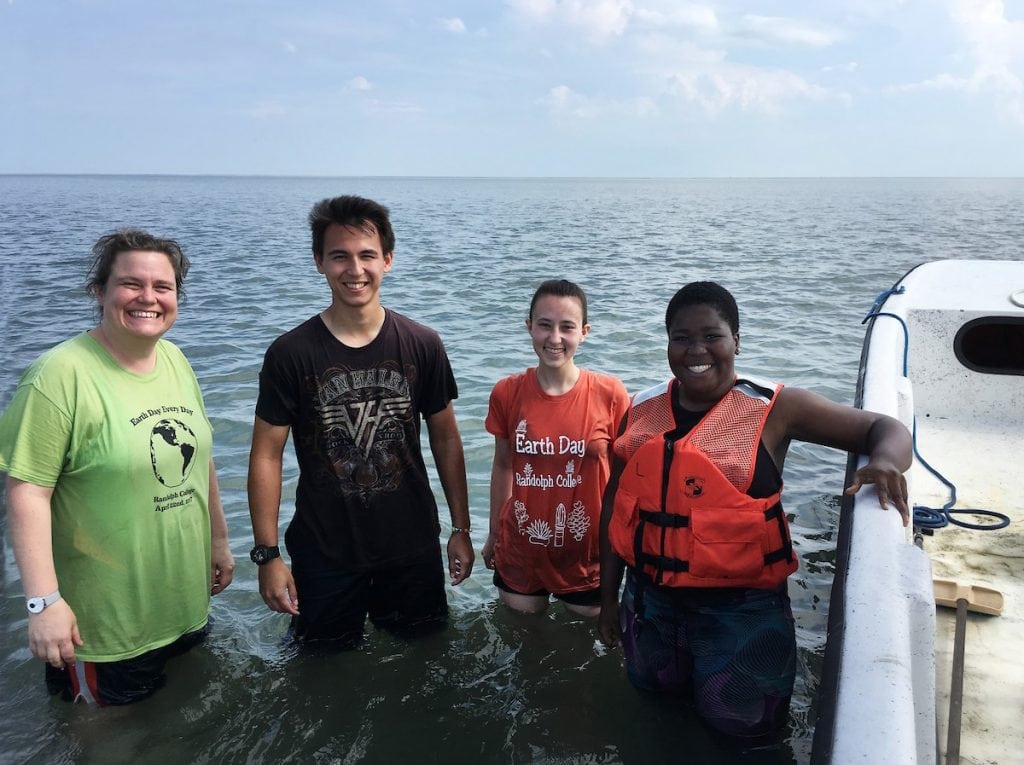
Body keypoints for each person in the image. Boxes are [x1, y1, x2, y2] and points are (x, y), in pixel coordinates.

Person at [598, 281, 911, 742]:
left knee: (745, 736)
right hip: (649, 606)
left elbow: (884, 428)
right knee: (656, 718)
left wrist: (884, 462)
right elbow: (614, 507)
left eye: (712, 335)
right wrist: (608, 598)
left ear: (737, 341)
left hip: (742, 615)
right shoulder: (642, 408)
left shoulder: (778, 409)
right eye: (681, 337)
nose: (696, 350)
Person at [0, 229, 234, 706]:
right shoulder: (59, 375)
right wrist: (43, 604)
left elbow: (197, 457)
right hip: (102, 625)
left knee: (182, 722)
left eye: (163, 287)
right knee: (111, 745)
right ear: (100, 291)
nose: (148, 297)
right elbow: (26, 492)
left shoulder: (175, 360)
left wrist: (219, 540)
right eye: (131, 284)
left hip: (182, 602)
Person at [247, 195, 473, 649]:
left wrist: (461, 530)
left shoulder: (422, 344)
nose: (355, 269)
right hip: (325, 548)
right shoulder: (290, 354)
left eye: (367, 255)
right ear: (319, 263)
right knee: (321, 669)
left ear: (388, 260)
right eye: (339, 256)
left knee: (426, 656)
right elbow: (266, 454)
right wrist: (268, 555)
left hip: (411, 544)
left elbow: (446, 440)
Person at [482, 279, 629, 617]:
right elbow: (503, 466)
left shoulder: (609, 393)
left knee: (579, 654)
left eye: (567, 327)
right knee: (522, 649)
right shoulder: (507, 392)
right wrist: (493, 535)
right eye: (545, 325)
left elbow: (625, 478)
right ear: (529, 326)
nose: (555, 338)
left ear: (585, 331)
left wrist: (623, 546)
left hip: (586, 557)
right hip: (521, 548)